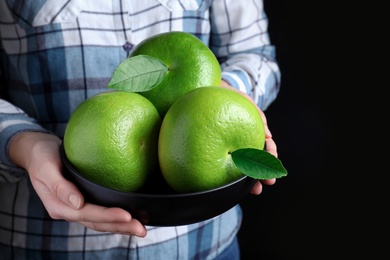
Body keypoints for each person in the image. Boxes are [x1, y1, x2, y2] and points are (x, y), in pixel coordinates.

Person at [0, 1, 281, 259]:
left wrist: (225, 99)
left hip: (204, 246)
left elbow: (254, 54)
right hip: (48, 245)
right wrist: (25, 145)